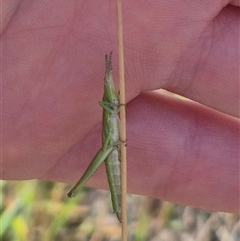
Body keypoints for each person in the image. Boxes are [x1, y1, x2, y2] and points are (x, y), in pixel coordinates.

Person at [2, 1, 239, 214]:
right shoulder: (108, 103)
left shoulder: (111, 102)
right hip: (109, 150)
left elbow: (109, 101)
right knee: (107, 147)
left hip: (111, 144)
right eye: (108, 81)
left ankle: (116, 205)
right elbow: (105, 104)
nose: (110, 82)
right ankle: (111, 204)